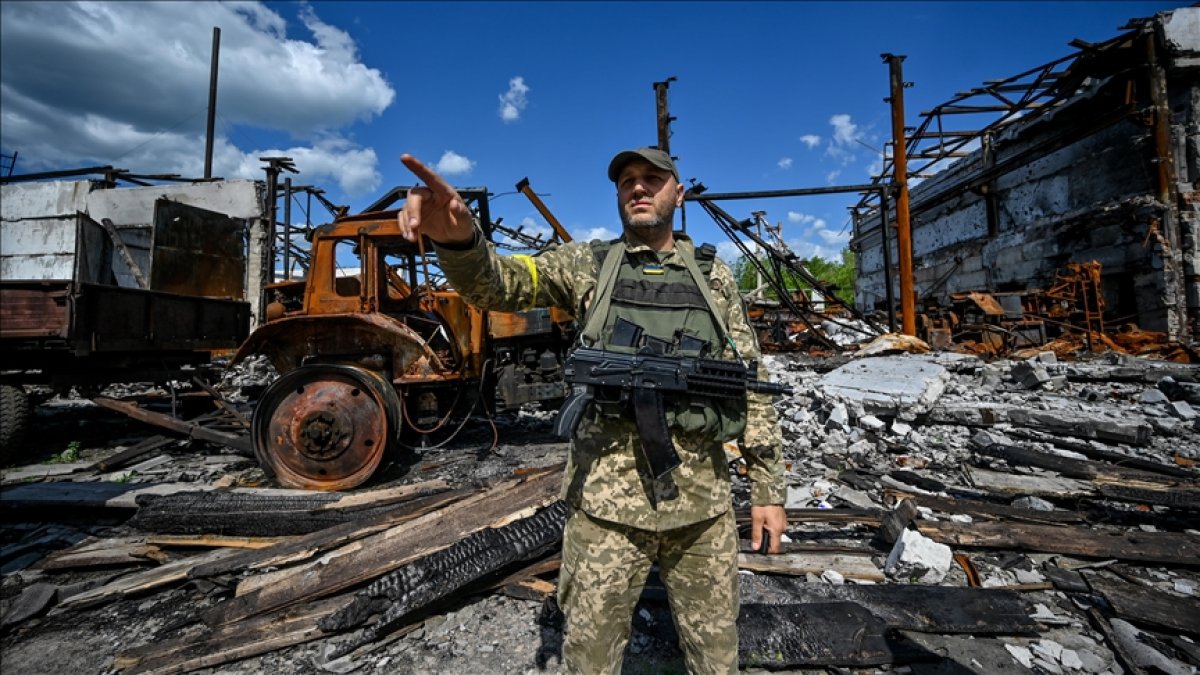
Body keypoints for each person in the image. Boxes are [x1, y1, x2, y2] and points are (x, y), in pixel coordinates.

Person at [398, 147, 787, 674]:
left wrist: (768, 490)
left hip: (702, 512)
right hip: (604, 514)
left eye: (652, 178)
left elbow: (749, 382)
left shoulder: (714, 277)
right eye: (627, 180)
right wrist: (460, 240)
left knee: (717, 660)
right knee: (589, 660)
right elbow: (500, 284)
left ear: (679, 193)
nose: (638, 187)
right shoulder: (586, 264)